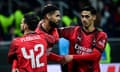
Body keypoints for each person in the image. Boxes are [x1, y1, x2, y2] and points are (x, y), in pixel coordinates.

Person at [59, 6, 108, 72]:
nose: (84, 19)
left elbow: (94, 56)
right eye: (82, 16)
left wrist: (73, 57)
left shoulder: (101, 35)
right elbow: (56, 31)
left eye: (87, 16)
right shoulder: (73, 31)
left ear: (94, 17)